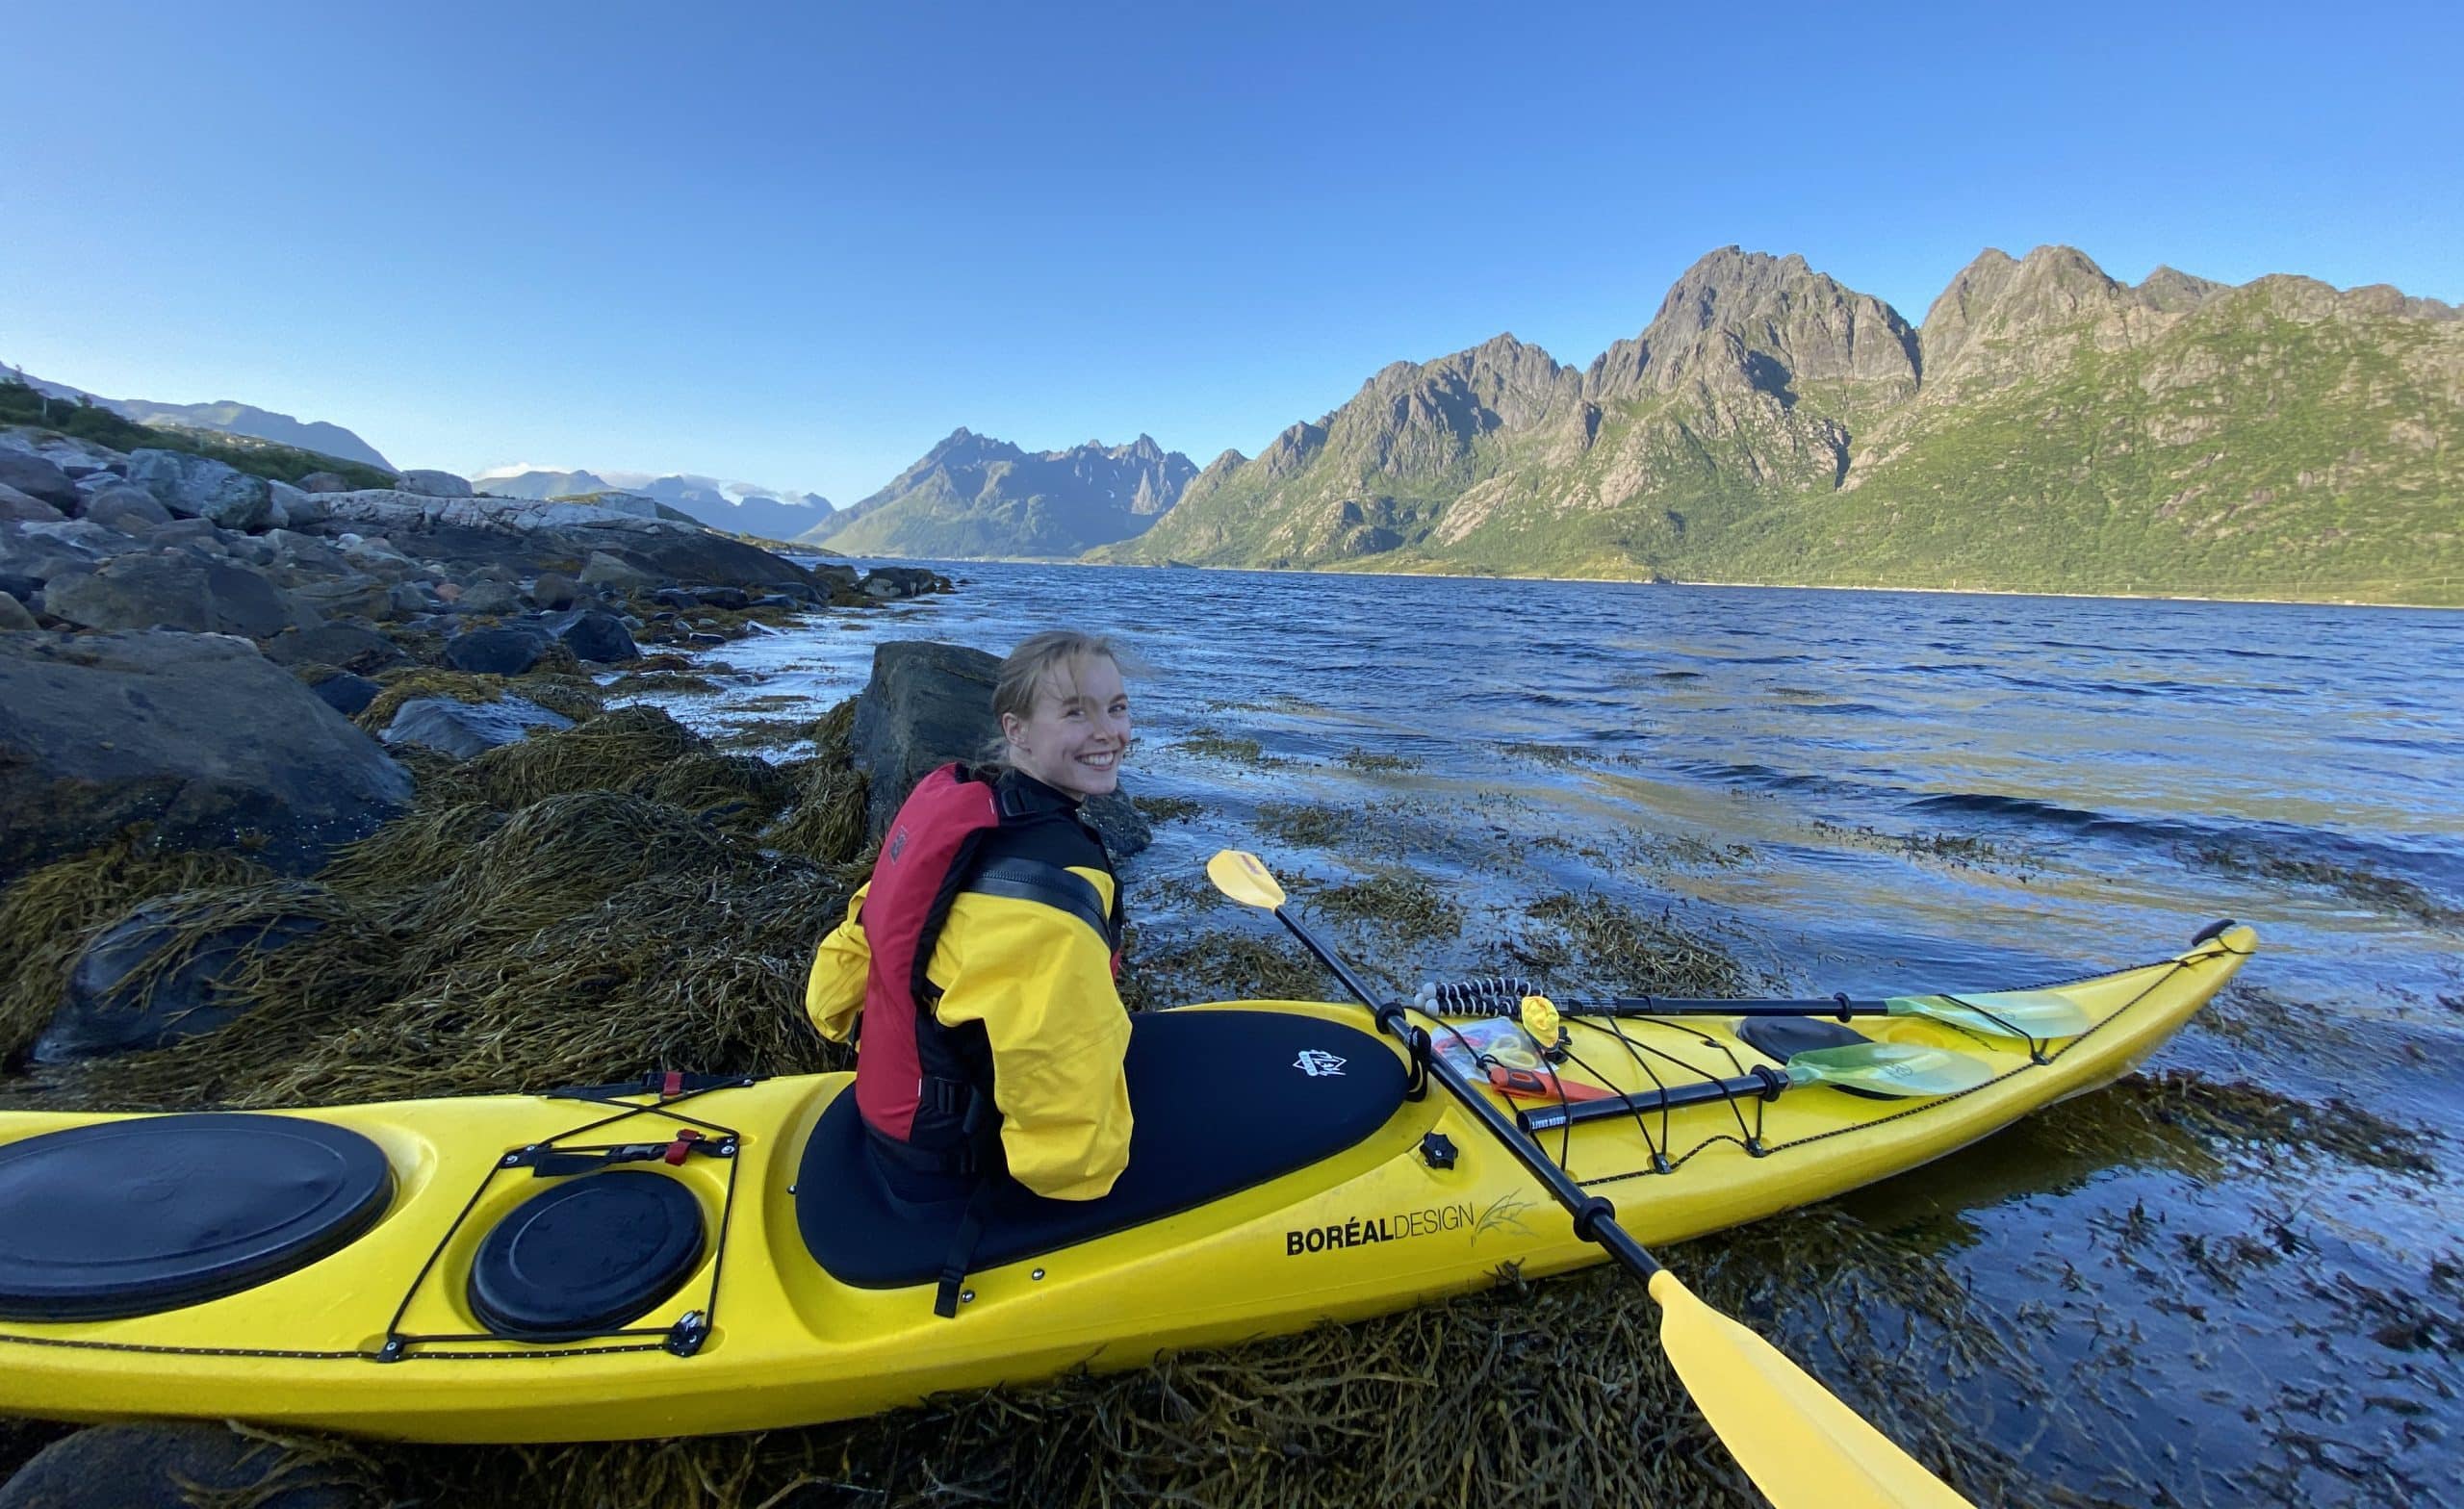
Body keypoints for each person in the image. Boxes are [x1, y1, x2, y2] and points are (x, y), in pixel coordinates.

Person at [804, 630, 1136, 1212]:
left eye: (1117, 707)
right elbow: (1052, 1058)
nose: (1108, 732)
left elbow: (851, 957)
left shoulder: (958, 804)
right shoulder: (1053, 882)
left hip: (893, 1107)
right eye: (1075, 713)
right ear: (1017, 730)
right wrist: (1082, 1181)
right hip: (952, 1160)